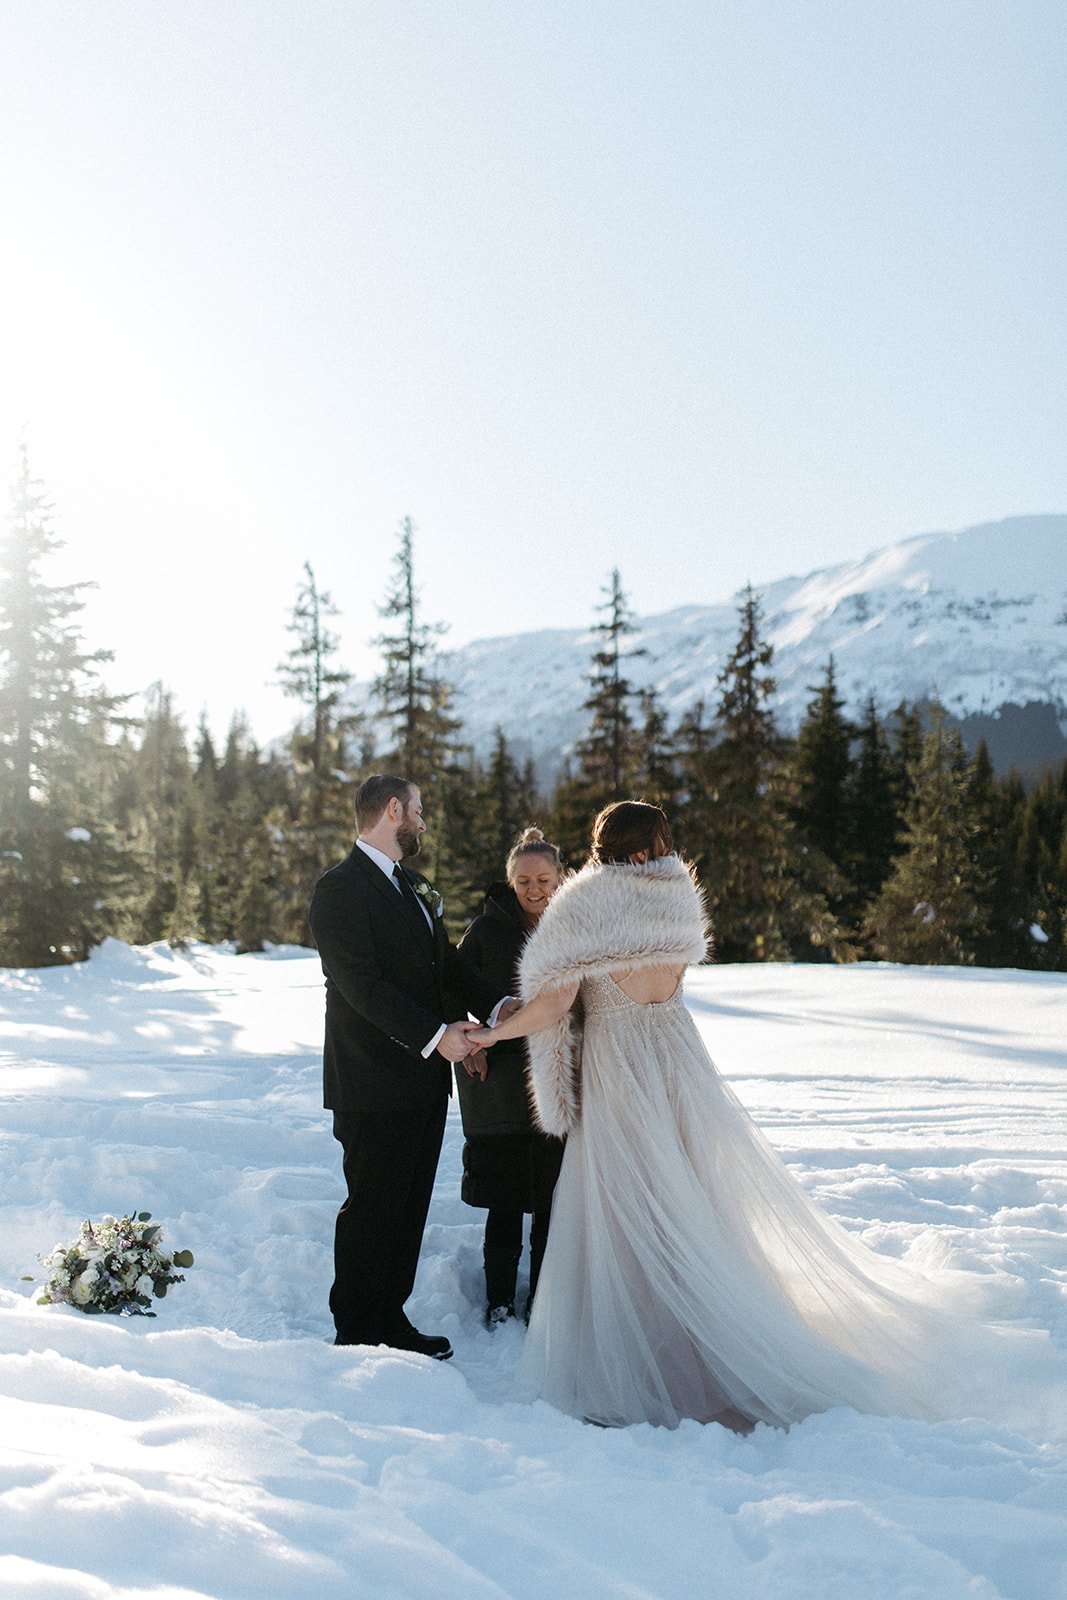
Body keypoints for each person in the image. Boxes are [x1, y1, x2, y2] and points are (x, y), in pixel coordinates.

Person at [468, 800, 1057, 1431]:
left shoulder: (582, 907)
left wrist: (492, 1036)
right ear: (651, 847)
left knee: (627, 1204)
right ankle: (710, 1328)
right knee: (694, 1196)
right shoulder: (676, 894)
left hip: (623, 1074)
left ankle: (648, 1353)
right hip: (679, 1061)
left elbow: (554, 1006)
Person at [308, 774, 513, 1360]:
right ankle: (355, 1327)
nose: (423, 821)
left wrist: (497, 1004)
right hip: (369, 1081)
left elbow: (443, 967)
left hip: (422, 1082)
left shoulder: (416, 888)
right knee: (373, 1204)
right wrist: (435, 1035)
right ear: (392, 810)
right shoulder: (339, 890)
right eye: (418, 810)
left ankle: (388, 1319)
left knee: (408, 1206)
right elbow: (360, 987)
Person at [457, 827, 566, 1327]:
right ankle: (499, 1302)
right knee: (503, 1204)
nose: (535, 890)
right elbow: (450, 984)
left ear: (561, 877)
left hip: (559, 1083)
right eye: (524, 880)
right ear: (510, 881)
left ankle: (543, 1304)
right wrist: (463, 1042)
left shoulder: (575, 928)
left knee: (551, 1204)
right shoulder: (486, 931)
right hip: (499, 1088)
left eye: (544, 879)